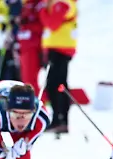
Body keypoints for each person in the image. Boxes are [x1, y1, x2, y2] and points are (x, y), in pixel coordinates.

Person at [40, 0, 78, 134]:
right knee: (56, 85)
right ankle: (59, 119)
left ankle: (60, 120)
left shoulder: (62, 3)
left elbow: (52, 24)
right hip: (58, 48)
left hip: (60, 50)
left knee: (56, 86)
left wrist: (43, 10)